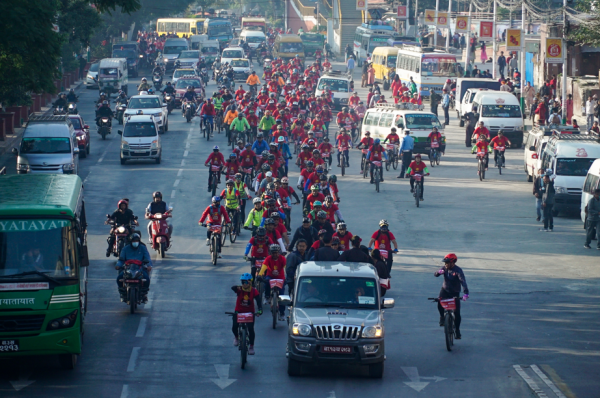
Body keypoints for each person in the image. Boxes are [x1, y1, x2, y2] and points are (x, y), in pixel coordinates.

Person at [434, 253, 469, 339]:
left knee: (457, 313)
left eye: (447, 263)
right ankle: (442, 317)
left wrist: (466, 293)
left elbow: (463, 282)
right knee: (439, 301)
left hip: (455, 292)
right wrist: (438, 272)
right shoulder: (444, 268)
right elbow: (435, 274)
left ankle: (457, 330)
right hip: (445, 290)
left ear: (453, 262)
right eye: (445, 263)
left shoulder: (458, 270)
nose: (445, 265)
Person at [230, 273, 262, 355]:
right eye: (242, 282)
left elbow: (258, 301)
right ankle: (236, 337)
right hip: (239, 311)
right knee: (234, 326)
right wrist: (237, 286)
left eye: (246, 282)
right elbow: (232, 288)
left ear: (250, 282)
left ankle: (251, 346)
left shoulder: (254, 291)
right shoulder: (239, 290)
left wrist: (260, 310)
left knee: (251, 329)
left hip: (249, 313)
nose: (244, 284)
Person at [115, 233, 152, 302]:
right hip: (128, 268)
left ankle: (144, 294)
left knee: (146, 279)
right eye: (134, 241)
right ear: (130, 241)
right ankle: (122, 293)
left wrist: (149, 266)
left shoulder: (143, 248)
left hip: (140, 268)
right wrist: (118, 265)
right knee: (119, 278)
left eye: (137, 241)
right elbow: (121, 260)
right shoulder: (125, 249)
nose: (135, 243)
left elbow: (147, 258)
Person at [258, 244, 287, 320]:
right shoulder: (268, 258)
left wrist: (287, 277)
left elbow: (285, 268)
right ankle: (267, 297)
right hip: (270, 276)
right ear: (270, 253)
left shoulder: (283, 259)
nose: (275, 254)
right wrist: (260, 274)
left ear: (279, 252)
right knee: (266, 282)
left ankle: (282, 313)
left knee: (282, 296)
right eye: (273, 253)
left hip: (281, 278)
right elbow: (264, 266)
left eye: (276, 252)